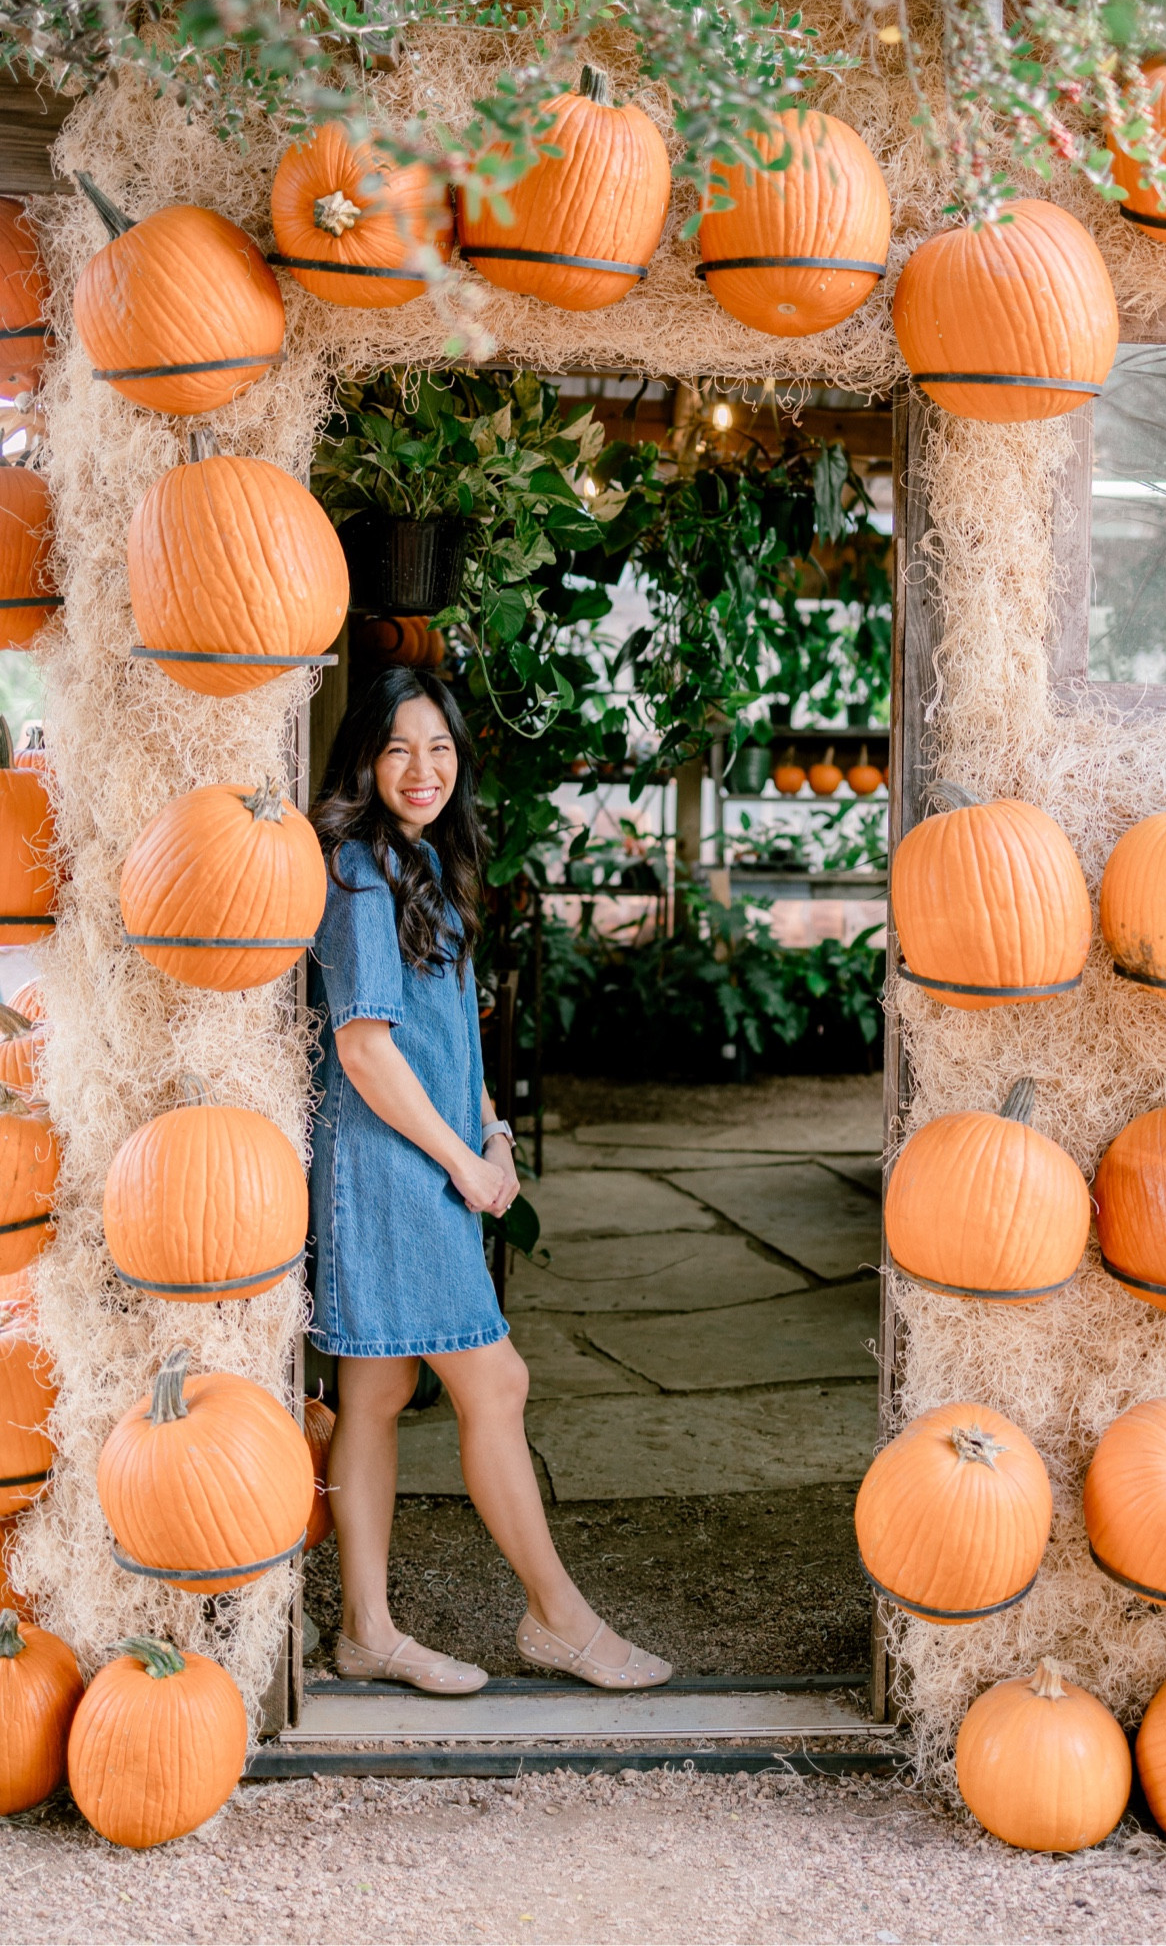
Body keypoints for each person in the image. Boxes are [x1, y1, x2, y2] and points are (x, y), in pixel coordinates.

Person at [307, 665, 671, 1694]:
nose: (422, 769)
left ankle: (367, 1629)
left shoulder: (417, 861)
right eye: (396, 749)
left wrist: (494, 1137)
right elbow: (368, 1049)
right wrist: (461, 1158)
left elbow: (443, 1047)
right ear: (364, 760)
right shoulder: (360, 874)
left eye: (439, 748)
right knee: (493, 1379)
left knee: (374, 1389)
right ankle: (559, 1617)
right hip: (385, 1166)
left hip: (425, 1155)